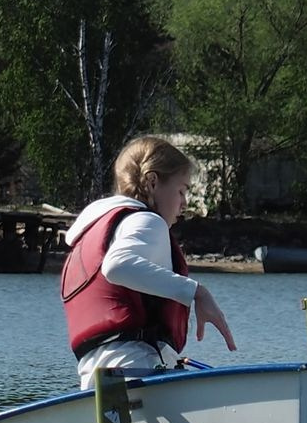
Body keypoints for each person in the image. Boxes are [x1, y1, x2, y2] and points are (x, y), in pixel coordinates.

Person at [60, 135, 236, 388]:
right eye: (182, 190)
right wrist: (197, 292)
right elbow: (117, 265)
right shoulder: (148, 221)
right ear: (153, 182)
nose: (184, 202)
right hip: (136, 370)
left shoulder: (94, 232)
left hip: (96, 378)